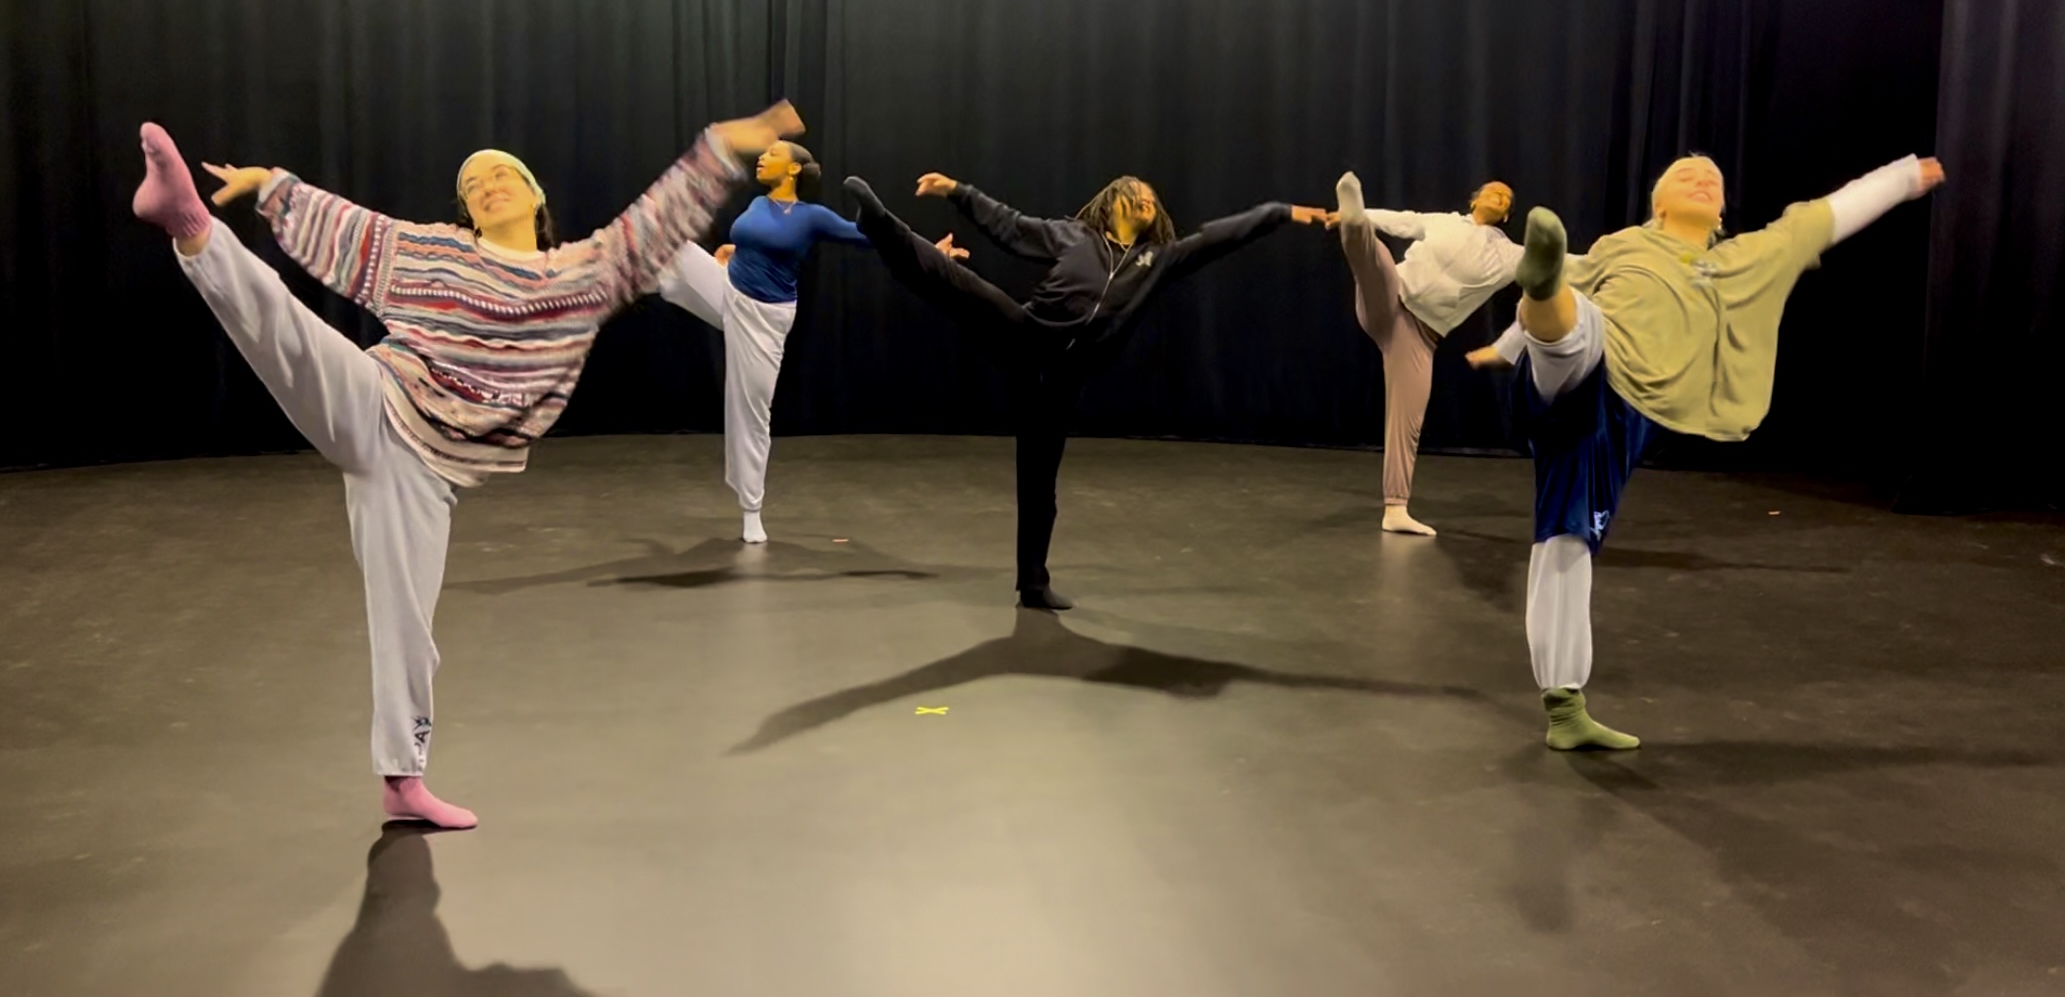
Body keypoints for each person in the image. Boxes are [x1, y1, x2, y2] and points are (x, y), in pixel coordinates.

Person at [129, 103, 802, 827]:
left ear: (537, 195)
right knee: (290, 337)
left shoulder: (578, 276)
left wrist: (720, 149)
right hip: (380, 400)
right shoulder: (438, 251)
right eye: (473, 182)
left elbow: (653, 225)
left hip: (427, 472)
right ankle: (191, 227)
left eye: (502, 173)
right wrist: (275, 187)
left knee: (406, 627)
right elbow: (363, 232)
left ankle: (402, 783)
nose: (487, 184)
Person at [1471, 151, 1943, 750]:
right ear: (1658, 203)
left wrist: (1904, 178)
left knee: (1569, 535)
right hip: (1589, 361)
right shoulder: (1621, 247)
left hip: (1630, 409)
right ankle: (1542, 290)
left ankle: (1565, 709)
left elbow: (1832, 212)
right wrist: (1510, 346)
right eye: (1685, 175)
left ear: (1721, 211)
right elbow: (1577, 285)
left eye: (1714, 180)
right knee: (1577, 328)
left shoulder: (1748, 257)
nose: (1702, 178)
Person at [841, 170, 1331, 611]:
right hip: (1027, 335)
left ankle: (1033, 585)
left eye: (1154, 199)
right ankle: (881, 225)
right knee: (959, 284)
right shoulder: (1073, 236)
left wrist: (1277, 213)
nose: (1149, 200)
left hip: (1064, 376)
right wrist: (957, 192)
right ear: (1116, 199)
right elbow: (1010, 226)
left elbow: (1217, 238)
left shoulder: (1158, 259)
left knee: (1039, 481)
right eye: (1140, 192)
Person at [657, 141, 962, 544]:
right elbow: (750, 244)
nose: (762, 157)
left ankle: (752, 510)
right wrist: (732, 251)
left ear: (794, 169)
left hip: (766, 319)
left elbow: (870, 237)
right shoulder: (758, 204)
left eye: (773, 153)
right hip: (732, 292)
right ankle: (609, 284)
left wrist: (931, 253)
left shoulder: (811, 217)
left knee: (751, 413)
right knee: (668, 244)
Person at [1332, 173, 1527, 535]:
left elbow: (1558, 264)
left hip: (1420, 336)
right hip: (1390, 299)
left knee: (1408, 420)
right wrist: (1365, 215)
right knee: (1375, 255)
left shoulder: (1510, 256)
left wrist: (1602, 260)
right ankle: (1354, 216)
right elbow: (1404, 220)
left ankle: (1395, 509)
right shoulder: (1443, 223)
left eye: (1506, 197)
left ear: (1506, 216)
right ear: (1474, 200)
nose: (1500, 194)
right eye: (1493, 190)